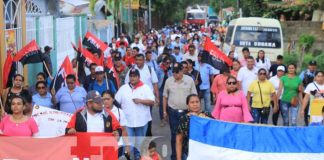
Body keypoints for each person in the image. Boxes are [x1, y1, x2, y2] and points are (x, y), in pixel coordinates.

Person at [115, 69, 155, 159]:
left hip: (142, 121)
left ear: (138, 77)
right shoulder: (123, 88)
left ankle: (138, 157)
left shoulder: (145, 87)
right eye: (131, 76)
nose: (132, 78)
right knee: (128, 143)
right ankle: (128, 157)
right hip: (127, 122)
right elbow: (116, 102)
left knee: (140, 143)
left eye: (134, 76)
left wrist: (140, 101)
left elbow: (152, 102)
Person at [163, 62, 197, 160]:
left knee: (187, 135)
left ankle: (186, 156)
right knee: (174, 136)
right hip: (173, 112)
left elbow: (194, 96)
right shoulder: (169, 81)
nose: (175, 74)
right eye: (173, 72)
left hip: (187, 112)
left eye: (177, 72)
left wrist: (194, 111)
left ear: (182, 71)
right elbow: (165, 97)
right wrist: (165, 111)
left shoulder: (189, 80)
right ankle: (175, 157)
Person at [125, 54, 159, 137]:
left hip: (147, 99)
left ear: (144, 60)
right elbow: (126, 84)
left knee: (147, 118)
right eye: (137, 60)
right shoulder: (131, 70)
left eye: (140, 60)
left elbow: (155, 84)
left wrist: (157, 97)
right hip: (135, 99)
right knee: (136, 117)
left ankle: (147, 136)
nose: (138, 62)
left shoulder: (150, 69)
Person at [176, 94, 213, 160]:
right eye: (192, 102)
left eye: (197, 102)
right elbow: (179, 140)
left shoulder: (207, 115)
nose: (195, 104)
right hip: (189, 153)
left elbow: (217, 128)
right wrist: (179, 158)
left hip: (206, 153)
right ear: (187, 105)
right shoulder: (184, 119)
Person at [102, 90, 131, 158]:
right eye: (104, 99)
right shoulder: (98, 111)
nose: (106, 101)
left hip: (117, 145)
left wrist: (127, 147)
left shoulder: (119, 112)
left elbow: (123, 130)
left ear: (113, 99)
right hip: (102, 145)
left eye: (108, 99)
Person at [155, 57, 173, 127]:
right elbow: (155, 80)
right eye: (167, 63)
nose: (168, 64)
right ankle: (162, 119)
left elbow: (172, 78)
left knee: (169, 104)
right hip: (161, 88)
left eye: (169, 63)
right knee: (161, 105)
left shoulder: (170, 70)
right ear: (164, 62)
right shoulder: (159, 69)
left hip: (169, 89)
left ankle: (168, 117)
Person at [299, 60, 317, 126]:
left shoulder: (317, 73)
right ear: (308, 66)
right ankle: (306, 123)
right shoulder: (304, 73)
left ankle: (313, 122)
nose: (312, 67)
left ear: (316, 66)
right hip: (305, 93)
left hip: (315, 94)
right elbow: (299, 82)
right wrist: (302, 90)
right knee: (306, 108)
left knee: (314, 108)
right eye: (311, 65)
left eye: (314, 65)